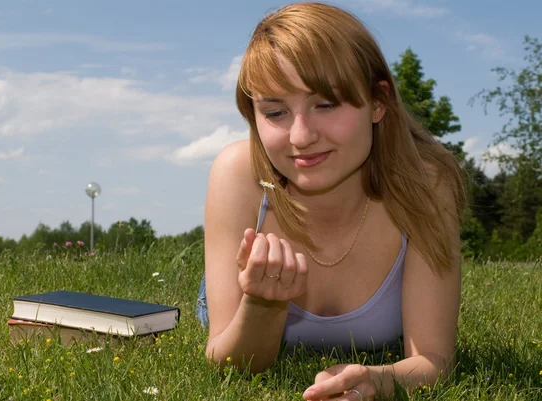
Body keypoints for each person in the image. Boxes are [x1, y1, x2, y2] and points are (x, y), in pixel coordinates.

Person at [197, 2, 464, 400]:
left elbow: (434, 360)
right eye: (275, 111)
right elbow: (231, 362)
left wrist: (376, 379)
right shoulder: (238, 174)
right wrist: (260, 304)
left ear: (378, 103)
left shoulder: (425, 184)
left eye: (326, 104)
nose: (301, 137)